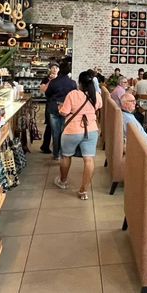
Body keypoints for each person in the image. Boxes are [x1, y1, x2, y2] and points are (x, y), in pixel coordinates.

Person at [56, 71, 103, 200]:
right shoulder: (97, 96)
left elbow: (64, 113)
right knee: (89, 159)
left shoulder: (73, 94)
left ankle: (63, 181)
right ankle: (83, 190)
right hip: (91, 130)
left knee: (66, 156)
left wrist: (60, 108)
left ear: (80, 83)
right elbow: (98, 107)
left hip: (73, 130)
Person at [45, 63, 77, 161]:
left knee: (55, 133)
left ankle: (56, 154)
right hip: (67, 110)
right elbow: (74, 95)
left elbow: (47, 94)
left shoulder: (53, 82)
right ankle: (64, 153)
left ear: (60, 70)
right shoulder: (72, 83)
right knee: (64, 132)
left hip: (54, 108)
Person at [38, 63, 59, 153]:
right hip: (50, 103)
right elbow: (42, 90)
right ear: (50, 69)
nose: (54, 69)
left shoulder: (60, 79)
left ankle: (56, 147)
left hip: (59, 104)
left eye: (56, 68)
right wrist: (50, 81)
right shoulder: (46, 79)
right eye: (53, 68)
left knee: (57, 127)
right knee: (49, 126)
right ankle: (45, 146)